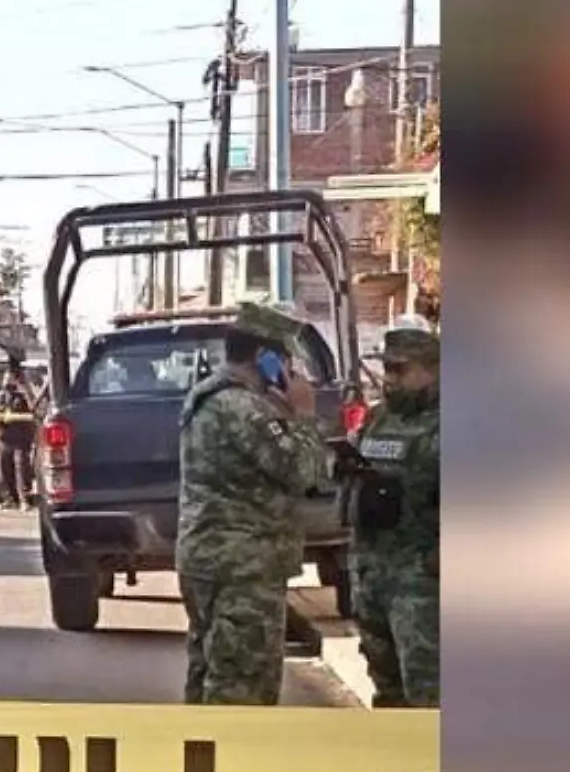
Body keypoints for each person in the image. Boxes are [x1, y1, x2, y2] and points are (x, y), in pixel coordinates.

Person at [175, 303, 326, 705]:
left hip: (208, 558)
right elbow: (304, 473)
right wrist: (305, 416)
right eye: (286, 359)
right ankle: (230, 749)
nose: (292, 369)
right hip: (243, 566)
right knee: (243, 685)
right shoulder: (245, 408)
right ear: (265, 357)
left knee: (209, 669)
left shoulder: (210, 395)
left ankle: (204, 746)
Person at [342, 327, 441, 708]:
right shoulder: (379, 419)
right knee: (387, 691)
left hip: (421, 581)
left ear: (434, 370)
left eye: (401, 370)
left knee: (429, 692)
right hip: (373, 573)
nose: (390, 380)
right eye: (387, 370)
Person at [0, 367, 37, 509]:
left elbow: (34, 408)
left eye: (9, 378)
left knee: (21, 470)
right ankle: (8, 499)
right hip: (3, 439)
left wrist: (26, 389)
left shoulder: (23, 397)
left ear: (15, 380)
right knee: (4, 470)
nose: (6, 381)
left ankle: (24, 500)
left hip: (20, 440)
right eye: (5, 378)